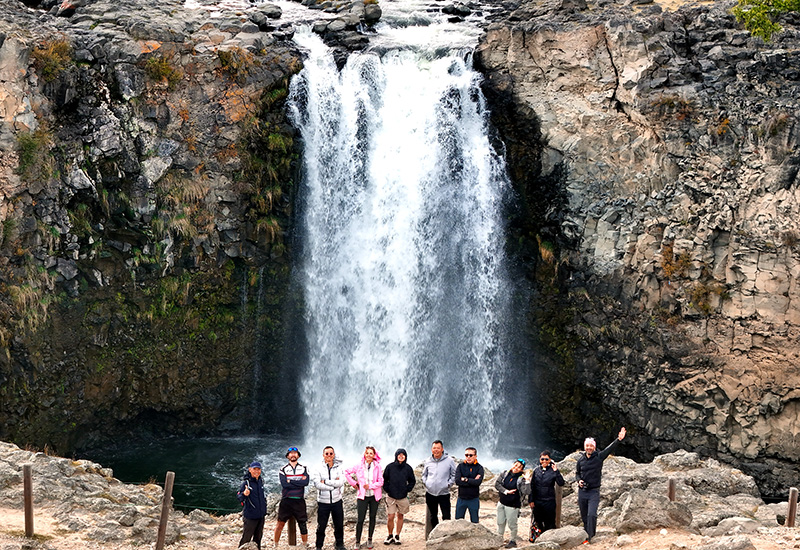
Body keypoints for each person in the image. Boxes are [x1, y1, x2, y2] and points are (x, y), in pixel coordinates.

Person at [576, 427, 626, 542]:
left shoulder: (599, 457)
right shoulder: (580, 460)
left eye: (591, 445)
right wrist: (579, 481)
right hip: (582, 491)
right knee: (584, 516)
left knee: (592, 515)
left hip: (594, 491)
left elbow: (609, 449)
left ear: (594, 446)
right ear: (585, 447)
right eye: (587, 445)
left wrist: (619, 439)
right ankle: (586, 536)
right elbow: (577, 473)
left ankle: (590, 536)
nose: (589, 447)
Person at [345, 446, 384, 550]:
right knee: (360, 519)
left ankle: (370, 539)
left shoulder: (378, 467)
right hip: (362, 496)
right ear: (364, 454)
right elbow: (346, 472)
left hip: (374, 496)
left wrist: (370, 486)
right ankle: (357, 541)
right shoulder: (359, 466)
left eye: (371, 453)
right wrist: (353, 483)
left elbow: (381, 482)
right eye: (367, 453)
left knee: (372, 518)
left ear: (374, 455)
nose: (369, 455)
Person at [311, 446, 346, 550]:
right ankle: (319, 546)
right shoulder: (318, 468)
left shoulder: (339, 467)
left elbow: (341, 482)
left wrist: (326, 481)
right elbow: (317, 484)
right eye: (327, 453)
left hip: (337, 501)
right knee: (321, 526)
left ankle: (339, 545)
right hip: (323, 502)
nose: (329, 455)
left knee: (339, 525)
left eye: (331, 453)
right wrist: (333, 486)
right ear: (323, 455)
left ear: (334, 455)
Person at [275, 446, 310, 547]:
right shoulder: (283, 469)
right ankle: (275, 545)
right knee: (280, 524)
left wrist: (290, 480)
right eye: (291, 453)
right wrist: (299, 481)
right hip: (286, 501)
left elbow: (306, 482)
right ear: (287, 456)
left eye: (295, 453)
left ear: (298, 455)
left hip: (299, 500)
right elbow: (284, 484)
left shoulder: (304, 468)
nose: (293, 455)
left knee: (302, 524)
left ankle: (304, 545)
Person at [382, 448, 416, 545]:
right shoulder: (390, 467)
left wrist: (407, 489)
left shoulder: (408, 468)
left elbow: (412, 481)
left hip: (402, 496)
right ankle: (389, 535)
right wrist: (388, 489)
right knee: (390, 516)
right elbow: (384, 480)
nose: (401, 456)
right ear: (396, 456)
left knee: (400, 515)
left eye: (403, 455)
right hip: (391, 496)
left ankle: (397, 536)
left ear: (405, 456)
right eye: (399, 454)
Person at [495, 459, 530, 548]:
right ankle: (499, 538)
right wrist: (506, 491)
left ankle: (513, 540)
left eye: (519, 467)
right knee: (500, 522)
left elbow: (526, 492)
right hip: (501, 502)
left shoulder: (521, 479)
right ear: (513, 464)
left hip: (513, 505)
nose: (516, 468)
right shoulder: (505, 474)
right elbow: (497, 484)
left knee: (512, 524)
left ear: (522, 469)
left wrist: (527, 481)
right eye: (516, 465)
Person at [421, 440, 457, 530]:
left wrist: (448, 484)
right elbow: (424, 474)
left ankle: (446, 534)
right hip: (430, 493)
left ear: (442, 449)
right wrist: (426, 483)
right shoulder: (428, 461)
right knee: (433, 516)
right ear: (431, 449)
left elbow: (454, 474)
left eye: (438, 448)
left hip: (444, 493)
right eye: (434, 448)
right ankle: (435, 534)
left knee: (446, 516)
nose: (436, 450)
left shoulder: (449, 461)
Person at [528, 451, 564, 536]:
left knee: (550, 522)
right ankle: (538, 538)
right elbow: (532, 486)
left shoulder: (553, 470)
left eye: (546, 459)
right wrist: (531, 500)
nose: (544, 461)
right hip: (537, 501)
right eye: (542, 459)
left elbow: (561, 483)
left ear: (550, 460)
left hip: (549, 501)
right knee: (538, 521)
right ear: (540, 459)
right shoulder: (536, 471)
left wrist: (556, 471)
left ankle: (549, 539)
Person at [238, 461, 267, 549]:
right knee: (246, 538)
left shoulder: (260, 481)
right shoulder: (246, 483)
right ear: (250, 470)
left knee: (258, 538)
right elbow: (239, 497)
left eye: (258, 469)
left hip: (261, 515)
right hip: (250, 516)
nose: (257, 471)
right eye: (254, 469)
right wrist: (244, 494)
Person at [454, 447, 484, 523]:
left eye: (471, 455)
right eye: (466, 455)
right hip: (461, 498)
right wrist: (472, 480)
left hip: (473, 499)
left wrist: (465, 479)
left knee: (474, 522)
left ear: (475, 456)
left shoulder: (479, 468)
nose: (468, 457)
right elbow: (457, 481)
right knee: (458, 521)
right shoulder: (460, 466)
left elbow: (478, 482)